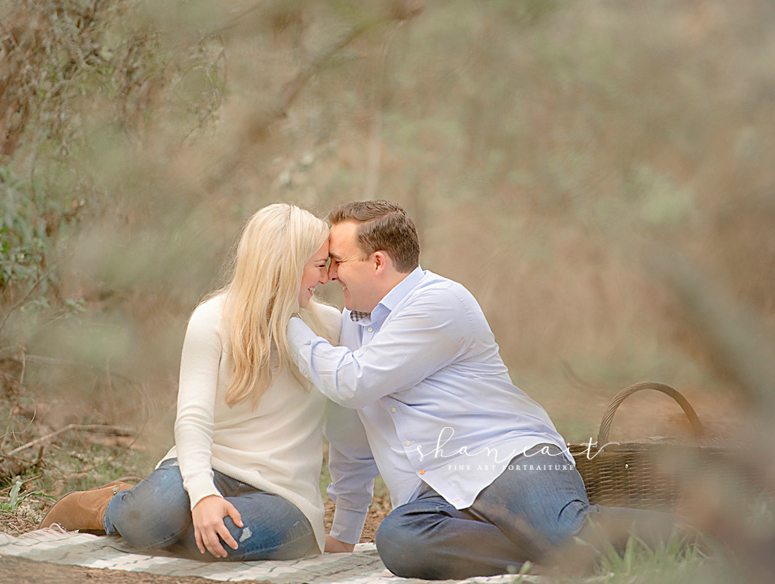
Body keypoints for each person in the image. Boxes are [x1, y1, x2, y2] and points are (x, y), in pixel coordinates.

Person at [286, 200, 686, 578]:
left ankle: (709, 534)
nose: (329, 274)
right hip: (438, 493)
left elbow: (354, 383)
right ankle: (555, 557)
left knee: (565, 531)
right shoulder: (355, 324)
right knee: (399, 542)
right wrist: (345, 533)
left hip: (509, 460)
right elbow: (354, 439)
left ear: (377, 261)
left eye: (337, 262)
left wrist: (284, 322)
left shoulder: (440, 303)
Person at [40, 203, 360, 561]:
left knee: (215, 540)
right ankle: (109, 507)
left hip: (285, 496)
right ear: (285, 268)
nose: (327, 277)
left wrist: (347, 529)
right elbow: (192, 418)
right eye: (319, 265)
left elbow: (354, 433)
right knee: (152, 518)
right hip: (210, 466)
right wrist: (204, 495)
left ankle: (169, 520)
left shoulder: (333, 328)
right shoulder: (213, 319)